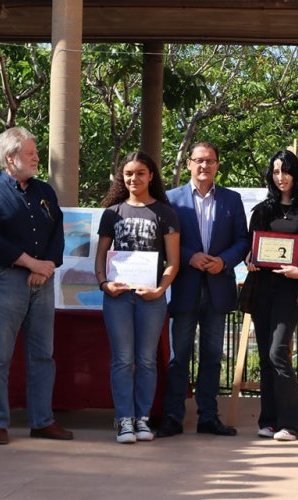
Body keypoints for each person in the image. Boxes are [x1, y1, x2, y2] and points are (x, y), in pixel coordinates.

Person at [0, 126, 73, 445]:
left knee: (43, 354)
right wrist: (31, 263)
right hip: (4, 280)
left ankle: (42, 420)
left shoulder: (44, 190)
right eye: (30, 153)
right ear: (10, 157)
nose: (36, 157)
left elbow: (57, 231)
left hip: (41, 282)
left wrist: (47, 268)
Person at [156, 141, 249, 438]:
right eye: (199, 160)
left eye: (210, 161)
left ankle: (208, 417)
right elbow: (162, 240)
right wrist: (188, 256)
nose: (204, 166)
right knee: (179, 355)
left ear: (217, 164)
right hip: (184, 285)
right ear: (188, 164)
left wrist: (224, 261)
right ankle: (173, 416)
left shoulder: (232, 200)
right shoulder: (171, 200)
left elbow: (243, 241)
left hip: (218, 286)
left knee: (212, 355)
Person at [95, 151, 180, 444]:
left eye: (140, 173)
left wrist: (160, 289)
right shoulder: (112, 212)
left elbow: (173, 262)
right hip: (118, 297)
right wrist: (104, 284)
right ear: (123, 177)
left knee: (145, 360)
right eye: (129, 174)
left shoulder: (165, 213)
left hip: (151, 298)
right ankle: (124, 420)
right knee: (122, 360)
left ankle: (142, 419)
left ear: (151, 176)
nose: (134, 179)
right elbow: (101, 256)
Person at [239, 150, 298, 441]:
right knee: (264, 357)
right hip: (263, 289)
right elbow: (251, 248)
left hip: (292, 291)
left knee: (278, 353)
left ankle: (294, 425)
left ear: (295, 174)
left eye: (285, 171)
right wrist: (250, 258)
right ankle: (270, 421)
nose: (280, 177)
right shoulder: (263, 210)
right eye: (275, 172)